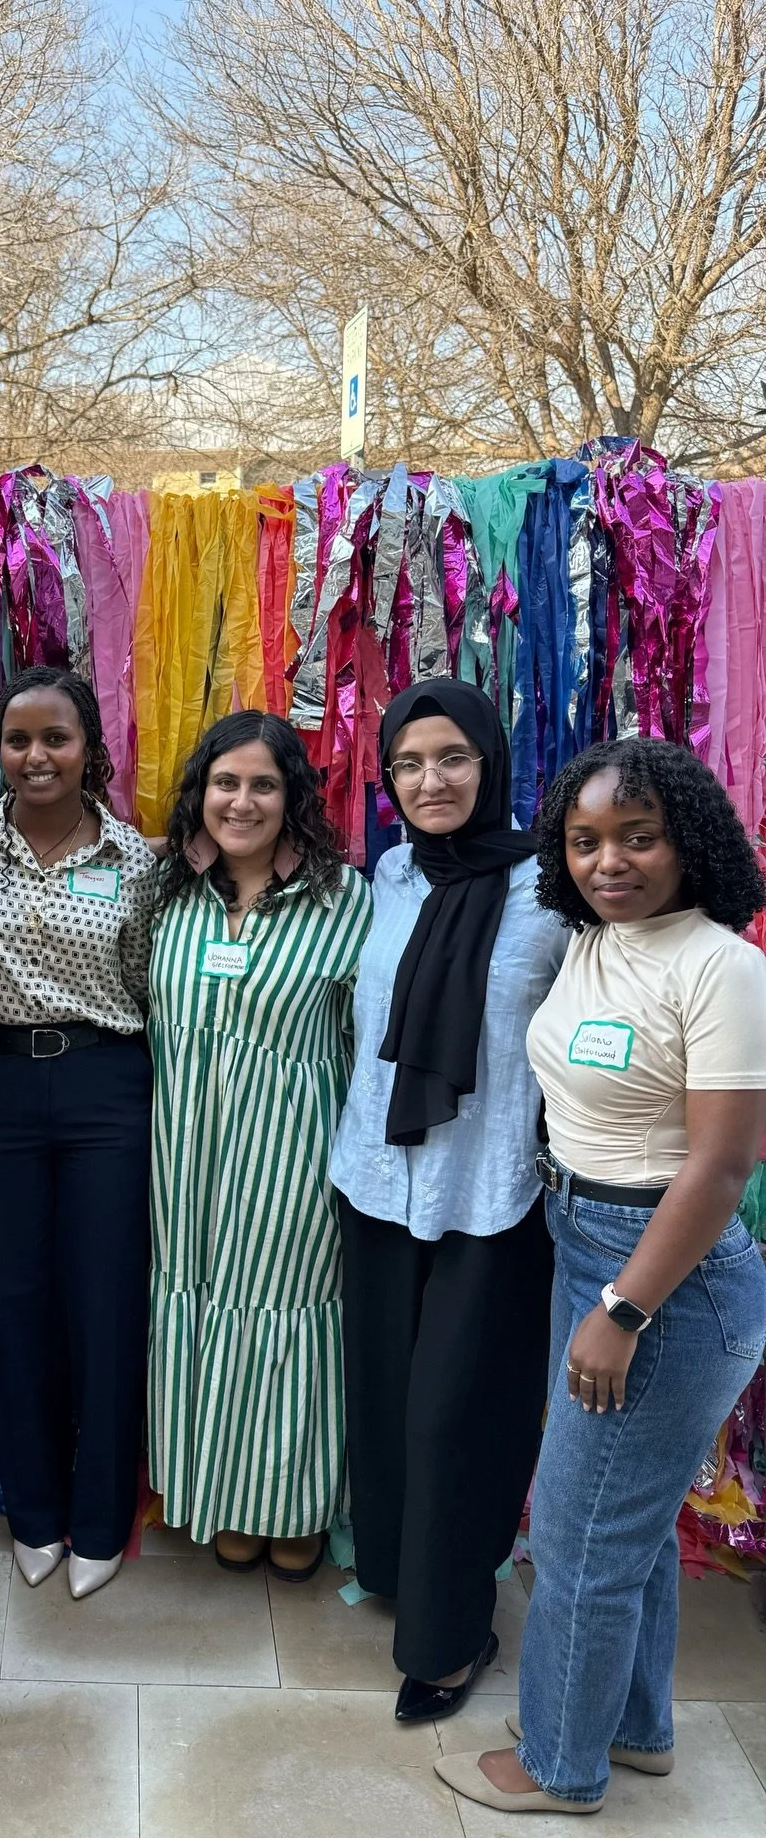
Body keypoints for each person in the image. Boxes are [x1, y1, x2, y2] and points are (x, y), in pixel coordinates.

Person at [437, 737, 766, 1816]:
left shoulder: (721, 964)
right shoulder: (596, 937)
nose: (608, 861)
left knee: (578, 1533)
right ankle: (633, 1728)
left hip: (666, 1279)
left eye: (638, 836)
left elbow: (721, 1168)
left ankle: (560, 1767)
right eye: (585, 841)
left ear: (691, 841)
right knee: (627, 1521)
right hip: (582, 1240)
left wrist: (625, 1307)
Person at [329, 678, 567, 1721]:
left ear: (492, 764)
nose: (432, 781)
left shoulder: (554, 889)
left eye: (453, 760)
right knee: (385, 1402)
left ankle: (449, 1635)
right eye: (411, 764)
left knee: (457, 1422)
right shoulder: (389, 875)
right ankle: (397, 1574)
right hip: (377, 1182)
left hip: (493, 1195)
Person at [0, 667, 157, 1598]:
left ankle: (102, 1515)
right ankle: (33, 1509)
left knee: (105, 1301)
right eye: (19, 739)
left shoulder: (138, 862)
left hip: (106, 1084)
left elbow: (158, 987)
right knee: (16, 1299)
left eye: (56, 739)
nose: (36, 757)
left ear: (89, 746)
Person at [148, 711, 370, 1576]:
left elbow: (365, 1037)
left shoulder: (341, 900)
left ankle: (291, 1502)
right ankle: (216, 1494)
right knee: (195, 1304)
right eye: (225, 783)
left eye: (263, 785)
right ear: (202, 791)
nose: (241, 802)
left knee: (285, 1317)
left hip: (292, 1153)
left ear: (294, 797)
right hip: (183, 1151)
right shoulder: (169, 893)